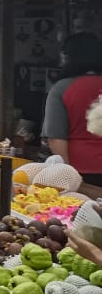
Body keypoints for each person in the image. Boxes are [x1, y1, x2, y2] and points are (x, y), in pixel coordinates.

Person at [45, 32, 102, 196]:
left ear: (69, 58)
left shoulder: (61, 89)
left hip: (81, 169)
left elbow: (56, 138)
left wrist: (67, 174)